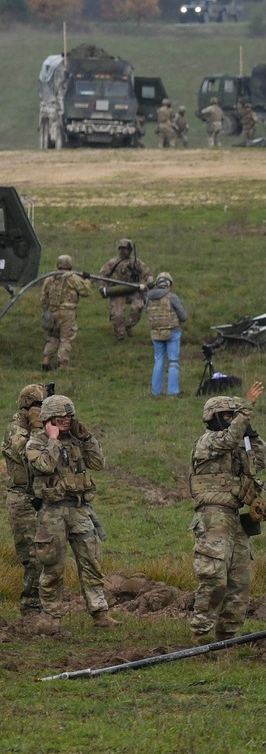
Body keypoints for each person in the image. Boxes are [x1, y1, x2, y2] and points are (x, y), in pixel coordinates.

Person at [188, 384, 266, 641]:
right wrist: (246, 409)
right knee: (214, 578)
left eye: (233, 415)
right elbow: (229, 438)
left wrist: (252, 435)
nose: (232, 420)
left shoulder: (236, 445)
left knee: (239, 581)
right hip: (214, 516)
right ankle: (201, 634)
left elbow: (260, 460)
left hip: (234, 517)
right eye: (227, 416)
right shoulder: (208, 441)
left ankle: (227, 635)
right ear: (213, 418)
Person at [27, 394, 114, 626]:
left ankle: (100, 612)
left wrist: (87, 438)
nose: (66, 420)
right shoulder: (36, 443)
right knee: (53, 566)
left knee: (91, 562)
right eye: (60, 416)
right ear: (48, 418)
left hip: (79, 509)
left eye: (69, 416)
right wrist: (53, 440)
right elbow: (44, 466)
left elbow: (98, 463)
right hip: (51, 513)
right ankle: (51, 616)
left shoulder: (77, 441)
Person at [4, 383, 47, 624]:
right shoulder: (15, 430)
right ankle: (30, 608)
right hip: (21, 500)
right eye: (40, 406)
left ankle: (45, 604)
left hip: (41, 498)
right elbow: (33, 457)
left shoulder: (35, 428)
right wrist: (38, 427)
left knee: (47, 554)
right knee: (32, 557)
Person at [39, 255, 96, 372]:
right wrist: (87, 280)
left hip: (52, 312)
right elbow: (85, 292)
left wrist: (47, 312)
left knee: (53, 337)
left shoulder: (49, 278)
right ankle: (63, 365)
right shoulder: (73, 278)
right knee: (66, 338)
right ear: (70, 265)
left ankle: (46, 360)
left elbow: (43, 298)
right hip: (67, 313)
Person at [144, 273, 188, 397]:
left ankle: (156, 392)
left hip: (155, 334)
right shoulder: (171, 297)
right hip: (172, 333)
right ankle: (173, 391)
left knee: (158, 361)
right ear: (168, 284)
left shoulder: (149, 297)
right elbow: (183, 317)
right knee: (173, 361)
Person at [97, 239, 151, 340]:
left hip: (133, 290)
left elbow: (147, 273)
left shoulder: (136, 262)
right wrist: (102, 287)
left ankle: (129, 325)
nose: (123, 251)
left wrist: (149, 282)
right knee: (117, 314)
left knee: (138, 306)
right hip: (117, 291)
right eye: (121, 248)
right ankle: (119, 334)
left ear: (130, 250)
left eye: (125, 249)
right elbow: (102, 275)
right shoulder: (112, 263)